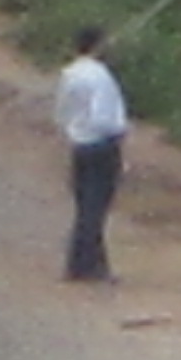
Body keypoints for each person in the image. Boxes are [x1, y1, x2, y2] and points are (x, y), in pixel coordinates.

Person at [54, 26, 127, 284]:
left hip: (79, 145)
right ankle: (90, 265)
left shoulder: (69, 73)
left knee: (85, 204)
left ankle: (78, 263)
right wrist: (116, 135)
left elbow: (61, 114)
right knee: (95, 208)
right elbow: (104, 117)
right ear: (98, 46)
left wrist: (73, 132)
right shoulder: (101, 77)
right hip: (102, 145)